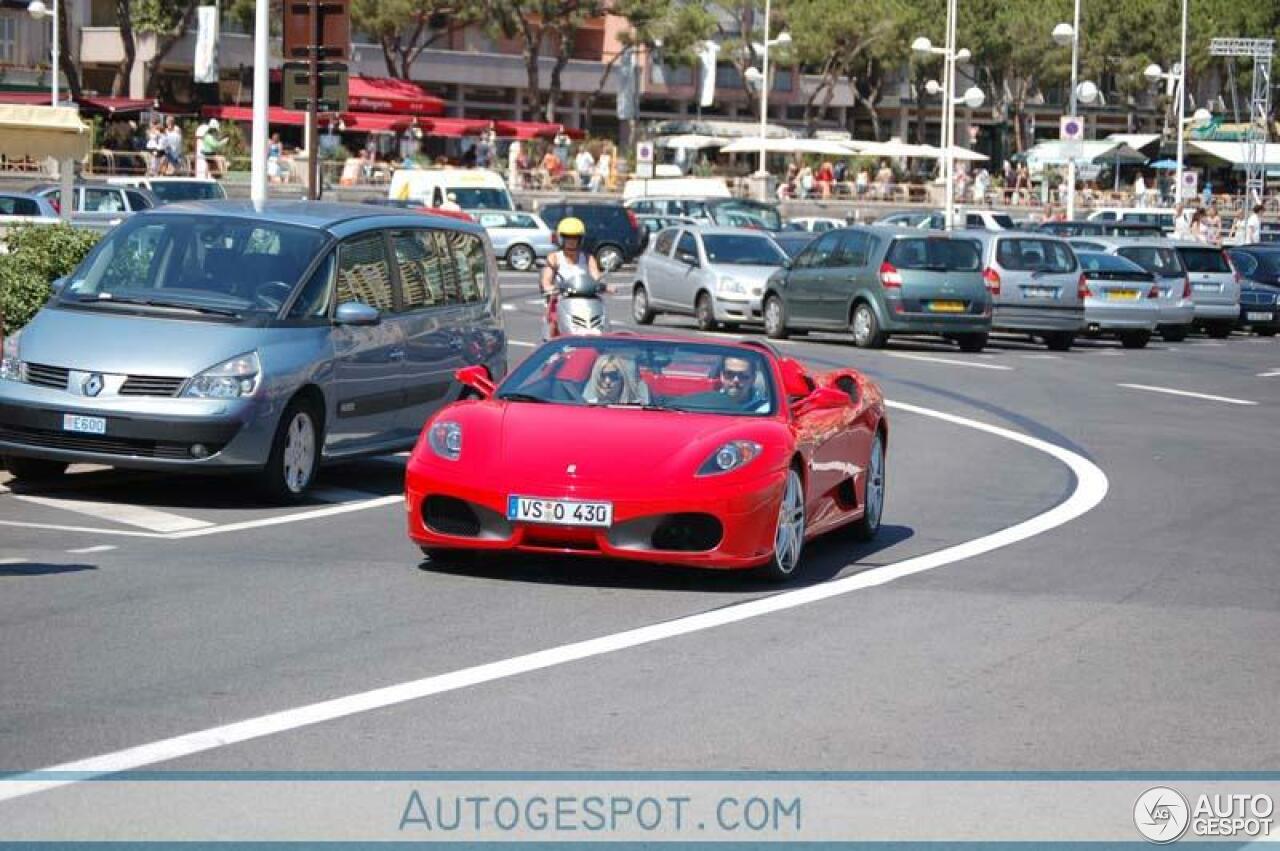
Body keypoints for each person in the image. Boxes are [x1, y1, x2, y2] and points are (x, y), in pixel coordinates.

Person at [540, 217, 607, 339]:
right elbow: (546, 280)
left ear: (580, 239)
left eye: (575, 237)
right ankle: (550, 345)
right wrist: (550, 288)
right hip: (561, 299)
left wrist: (603, 285)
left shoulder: (588, 258)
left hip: (586, 299)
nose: (571, 241)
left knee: (603, 320)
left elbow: (596, 276)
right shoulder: (554, 257)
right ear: (561, 238)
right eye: (567, 237)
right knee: (553, 319)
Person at [683, 355, 769, 413]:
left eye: (743, 376)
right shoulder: (705, 404)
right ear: (721, 376)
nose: (736, 380)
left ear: (753, 379)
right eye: (730, 374)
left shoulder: (765, 410)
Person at [583, 354, 649, 405]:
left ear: (623, 379)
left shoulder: (637, 408)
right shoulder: (585, 407)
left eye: (613, 375)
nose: (607, 381)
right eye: (602, 375)